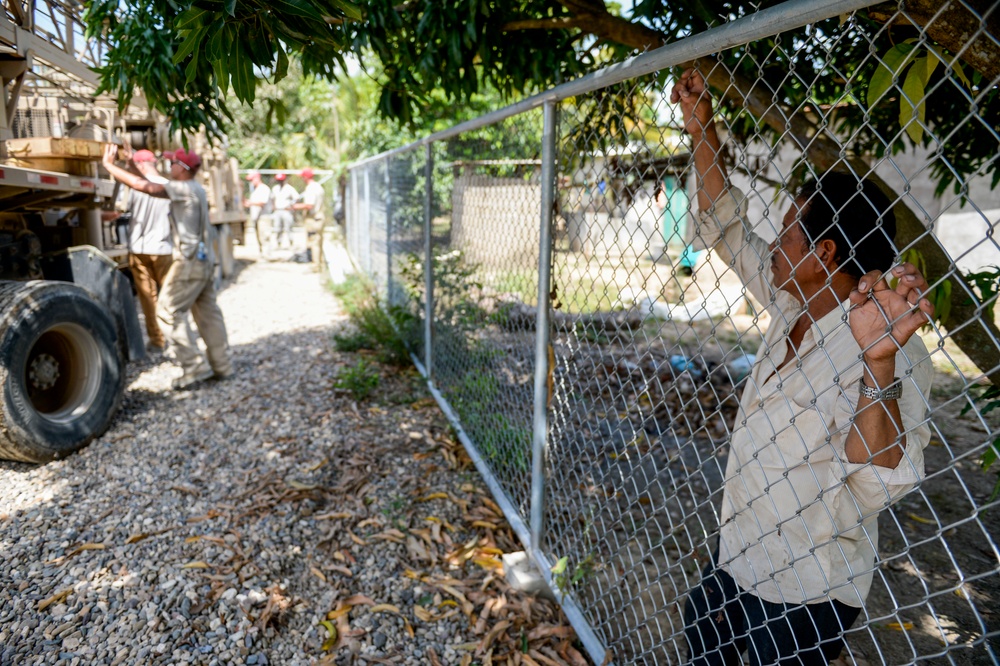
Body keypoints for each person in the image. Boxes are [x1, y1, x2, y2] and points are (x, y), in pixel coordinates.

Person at [670, 68, 935, 665]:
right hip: (738, 552)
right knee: (702, 637)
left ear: (824, 254)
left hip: (806, 586)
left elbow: (883, 479)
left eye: (788, 231)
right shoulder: (794, 298)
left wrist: (878, 360)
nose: (774, 242)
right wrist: (700, 127)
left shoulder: (894, 348)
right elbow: (727, 222)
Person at [102, 144, 233, 390]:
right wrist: (131, 165)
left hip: (189, 261)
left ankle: (194, 366)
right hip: (204, 260)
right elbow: (146, 182)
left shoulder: (182, 189)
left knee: (167, 310)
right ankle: (223, 365)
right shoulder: (195, 188)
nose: (169, 165)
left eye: (173, 162)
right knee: (208, 313)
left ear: (182, 169)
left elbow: (145, 187)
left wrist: (110, 166)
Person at [121, 149, 173, 353]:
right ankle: (175, 338)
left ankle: (157, 340)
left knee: (147, 297)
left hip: (139, 248)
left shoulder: (134, 187)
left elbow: (117, 211)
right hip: (163, 247)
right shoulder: (167, 186)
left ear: (140, 165)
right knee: (168, 295)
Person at [292, 168, 326, 270]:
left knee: (313, 242)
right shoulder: (318, 187)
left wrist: (296, 206)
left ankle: (316, 266)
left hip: (314, 219)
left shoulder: (311, 188)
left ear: (306, 177)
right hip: (319, 217)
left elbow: (309, 205)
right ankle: (321, 264)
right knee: (318, 241)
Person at [244, 170, 273, 253]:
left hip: (263, 217)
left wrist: (250, 203)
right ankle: (262, 253)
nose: (251, 182)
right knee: (259, 236)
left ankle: (267, 254)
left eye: (252, 179)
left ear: (257, 178)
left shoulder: (264, 188)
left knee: (264, 236)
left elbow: (262, 202)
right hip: (257, 217)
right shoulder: (255, 190)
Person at [271, 173, 298, 250]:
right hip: (278, 210)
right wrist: (274, 206)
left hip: (286, 211)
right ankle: (278, 243)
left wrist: (291, 206)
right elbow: (272, 198)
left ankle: (291, 243)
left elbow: (296, 197)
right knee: (277, 228)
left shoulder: (289, 188)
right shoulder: (275, 188)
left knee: (288, 227)